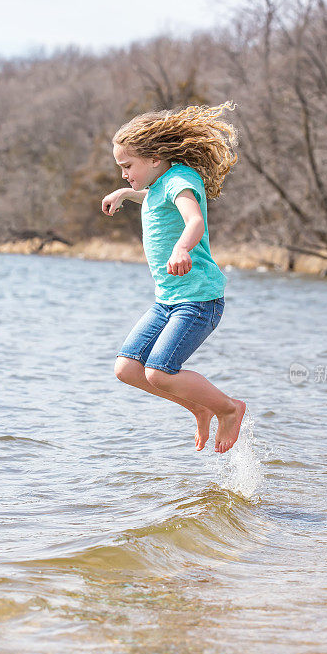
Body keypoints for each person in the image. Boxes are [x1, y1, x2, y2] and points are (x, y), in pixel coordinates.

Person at [101, 102, 246, 454]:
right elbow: (155, 197)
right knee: (127, 369)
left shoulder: (180, 180)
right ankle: (198, 407)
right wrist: (128, 194)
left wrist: (182, 248)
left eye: (127, 167)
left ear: (153, 158)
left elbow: (194, 220)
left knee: (160, 372)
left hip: (198, 300)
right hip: (167, 301)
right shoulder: (161, 182)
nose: (123, 173)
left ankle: (229, 409)